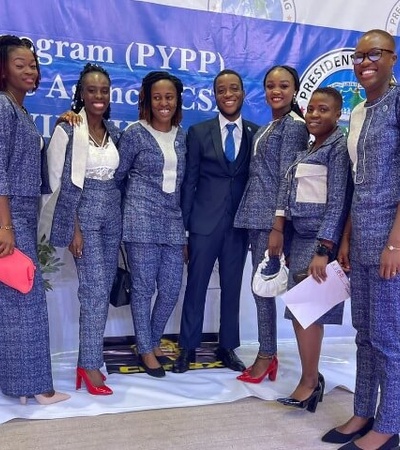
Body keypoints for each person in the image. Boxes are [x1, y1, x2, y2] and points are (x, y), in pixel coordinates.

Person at [322, 29, 400, 450]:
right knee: (364, 333)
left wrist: (396, 244)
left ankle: (389, 427)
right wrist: (346, 239)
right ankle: (363, 412)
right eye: (358, 56)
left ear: (392, 58)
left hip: (392, 239)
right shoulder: (357, 112)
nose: (365, 61)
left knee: (389, 337)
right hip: (363, 234)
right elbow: (356, 183)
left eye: (374, 54)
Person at [40, 63, 122, 395]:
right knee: (94, 290)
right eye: (92, 90)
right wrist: (73, 227)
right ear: (81, 93)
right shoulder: (68, 129)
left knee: (102, 290)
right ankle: (88, 365)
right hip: (83, 215)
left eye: (104, 90)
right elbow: (58, 182)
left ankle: (90, 360)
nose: (98, 96)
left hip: (112, 215)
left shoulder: (114, 130)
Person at [172, 69, 258, 374]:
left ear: (243, 93)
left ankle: (227, 347)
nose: (228, 94)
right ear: (215, 95)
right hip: (202, 225)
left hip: (238, 226)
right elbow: (189, 183)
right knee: (195, 286)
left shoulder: (255, 133)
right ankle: (188, 347)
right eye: (222, 90)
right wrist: (184, 229)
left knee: (232, 288)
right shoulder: (198, 132)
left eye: (234, 88)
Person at [0, 35, 69, 405]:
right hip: (9, 216)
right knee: (24, 300)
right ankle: (36, 387)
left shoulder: (20, 110)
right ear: (3, 69)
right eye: (19, 64)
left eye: (33, 64)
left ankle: (24, 386)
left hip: (21, 213)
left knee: (15, 301)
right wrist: (5, 226)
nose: (30, 70)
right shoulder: (2, 107)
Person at [275, 87, 351, 412]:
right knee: (299, 314)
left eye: (324, 110)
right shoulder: (310, 147)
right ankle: (311, 379)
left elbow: (337, 202)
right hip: (301, 240)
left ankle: (309, 383)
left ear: (337, 114)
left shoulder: (336, 147)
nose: (315, 115)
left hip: (320, 242)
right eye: (311, 110)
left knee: (309, 315)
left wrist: (324, 248)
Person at [234, 65, 309, 383]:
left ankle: (267, 356)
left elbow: (288, 179)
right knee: (260, 291)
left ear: (294, 90)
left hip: (272, 222)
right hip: (257, 217)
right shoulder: (272, 125)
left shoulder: (293, 126)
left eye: (283, 86)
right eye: (269, 85)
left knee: (264, 291)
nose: (275, 91)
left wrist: (279, 227)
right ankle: (268, 352)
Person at [114, 71, 186, 378]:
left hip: (173, 221)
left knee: (170, 288)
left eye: (169, 97)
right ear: (147, 100)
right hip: (140, 220)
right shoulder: (134, 133)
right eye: (157, 97)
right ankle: (146, 348)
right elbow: (117, 177)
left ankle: (153, 340)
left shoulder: (183, 135)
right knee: (143, 290)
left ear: (177, 100)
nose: (163, 103)